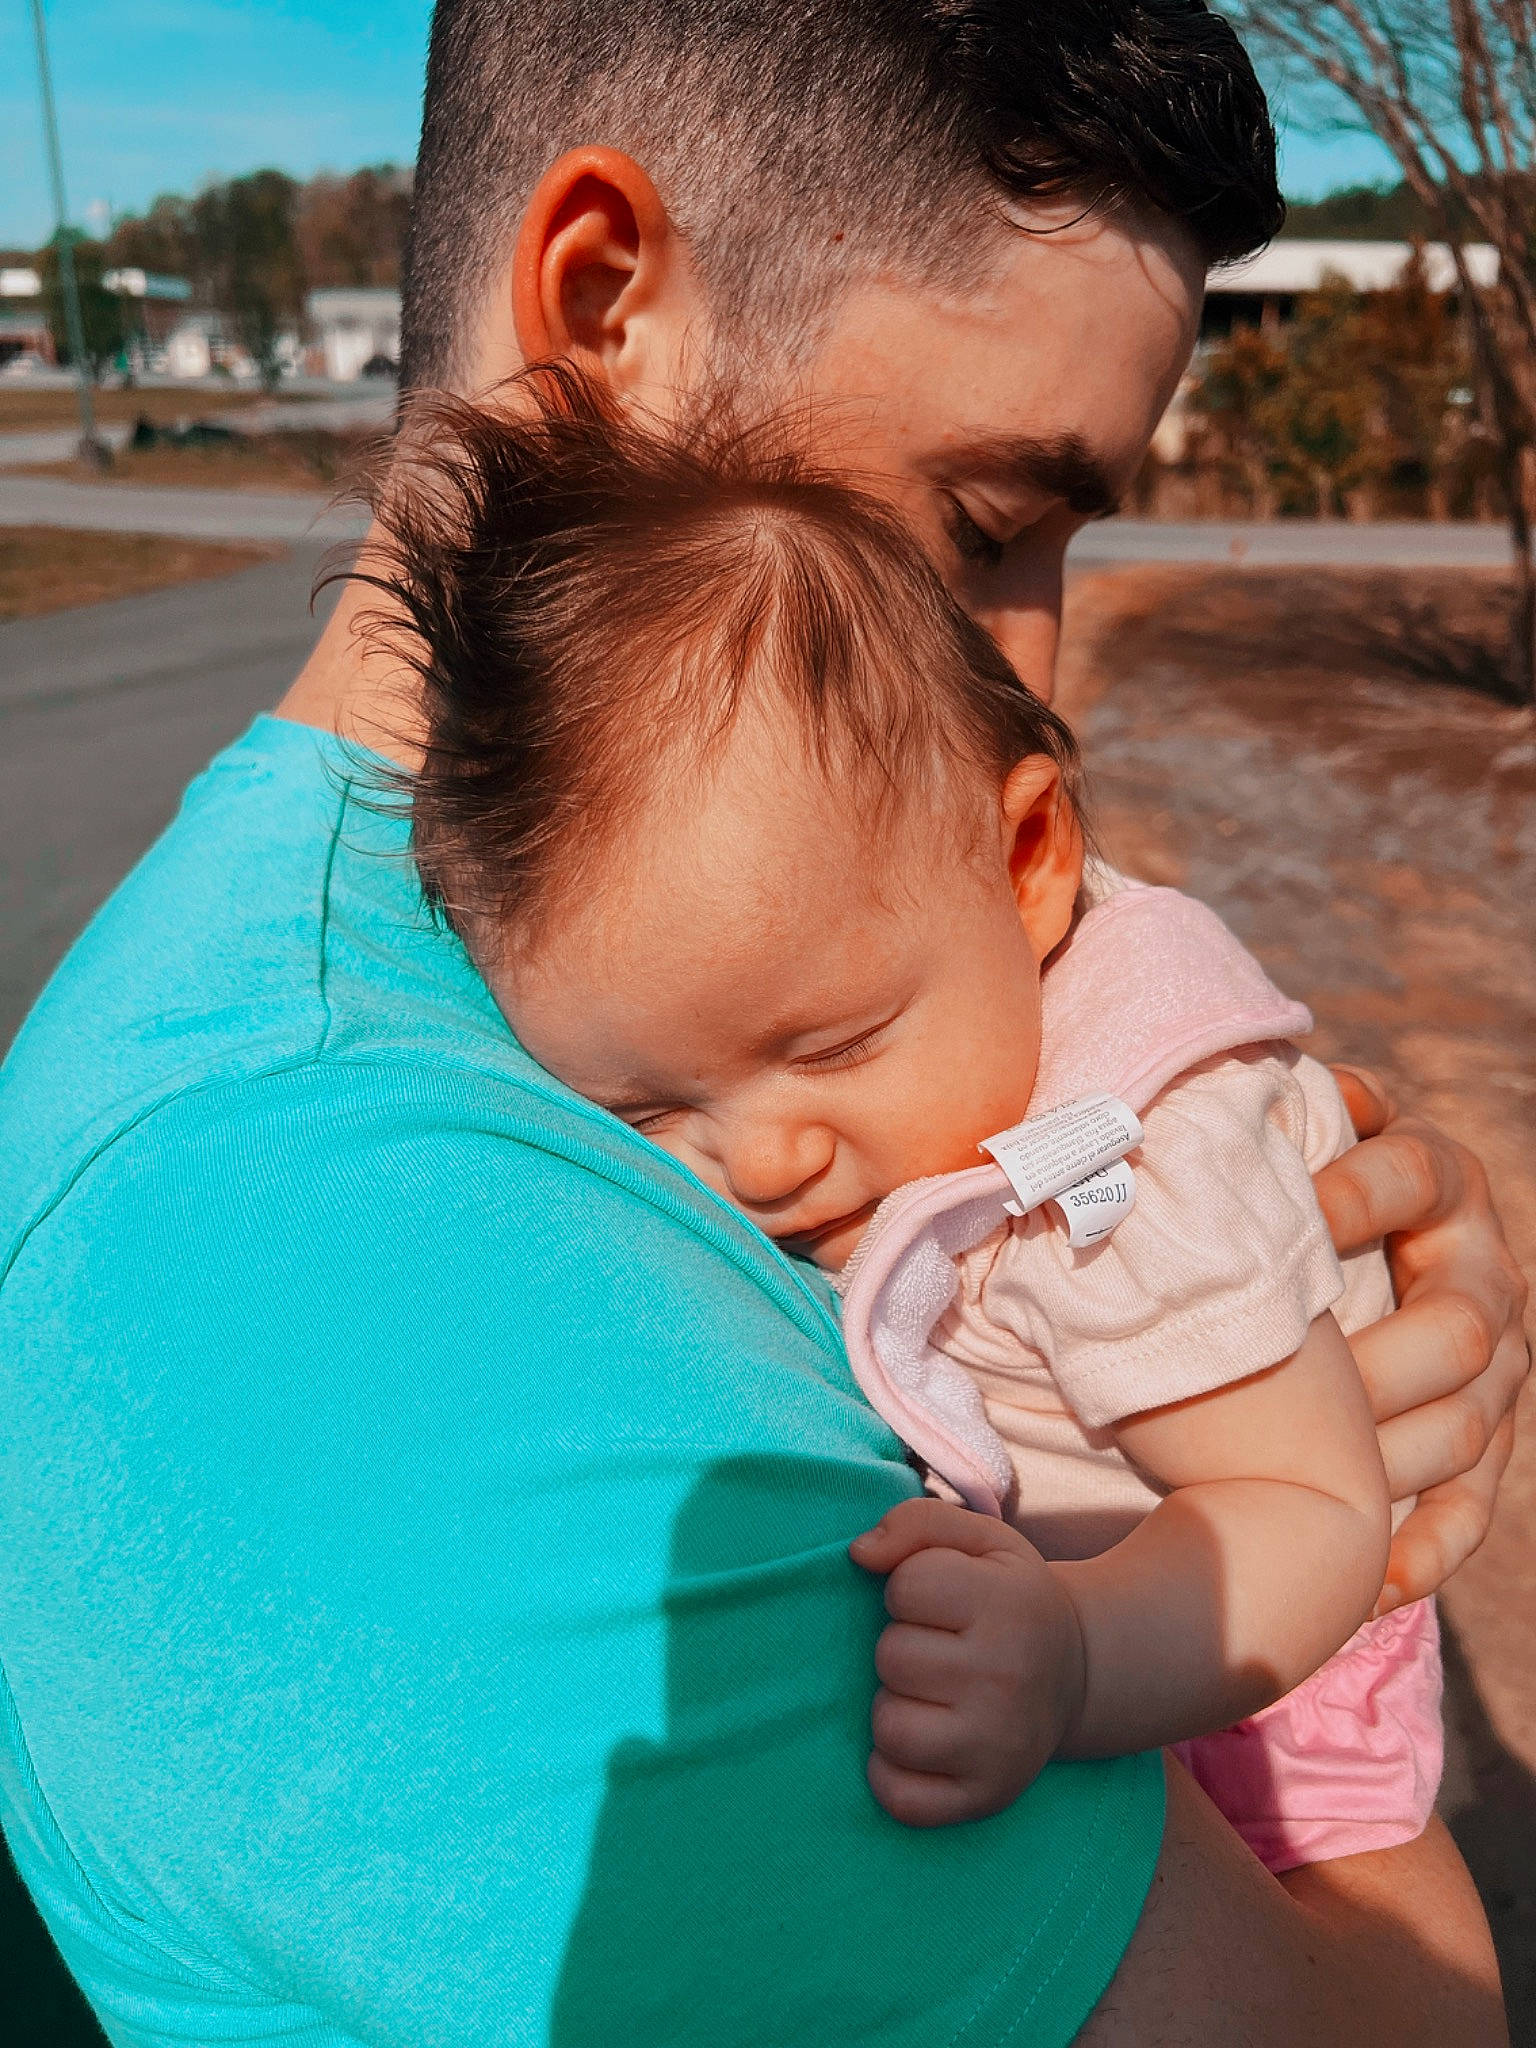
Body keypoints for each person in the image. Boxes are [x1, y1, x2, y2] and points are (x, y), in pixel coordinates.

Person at [0, 4, 1521, 2043]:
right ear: (602, 311)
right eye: (984, 526)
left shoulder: (584, 975)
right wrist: (1337, 1643)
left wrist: (1306, 1269)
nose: (1042, 659)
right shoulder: (329, 1247)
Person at [355, 369, 1436, 1866]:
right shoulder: (898, 1003)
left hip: (1256, 1702)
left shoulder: (1130, 1171)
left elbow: (1310, 1508)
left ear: (1029, 861)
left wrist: (1071, 1656)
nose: (765, 1159)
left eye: (838, 1044)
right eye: (648, 1106)